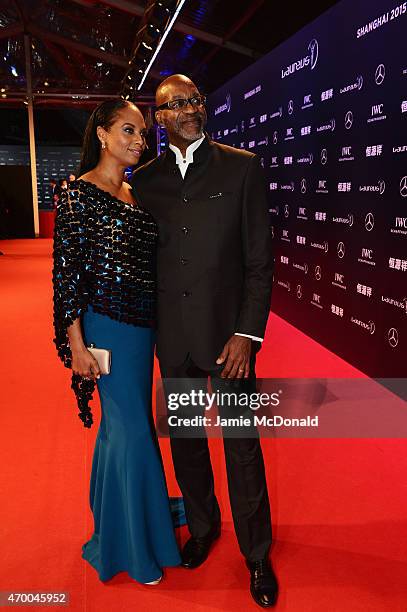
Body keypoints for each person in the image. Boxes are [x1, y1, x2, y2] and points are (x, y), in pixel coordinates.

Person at [132, 75, 277, 607]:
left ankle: (256, 552)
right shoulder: (143, 182)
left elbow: (260, 264)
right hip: (173, 342)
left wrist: (247, 334)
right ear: (160, 116)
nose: (190, 109)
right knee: (188, 447)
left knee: (243, 450)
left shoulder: (243, 167)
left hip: (230, 342)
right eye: (177, 104)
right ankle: (202, 527)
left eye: (195, 100)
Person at [52, 99, 181, 585]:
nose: (138, 140)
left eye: (143, 134)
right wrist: (77, 345)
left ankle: (119, 520)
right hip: (104, 327)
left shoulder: (134, 191)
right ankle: (132, 545)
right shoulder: (77, 194)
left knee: (124, 428)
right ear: (102, 134)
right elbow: (66, 275)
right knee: (130, 429)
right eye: (128, 130)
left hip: (141, 329)